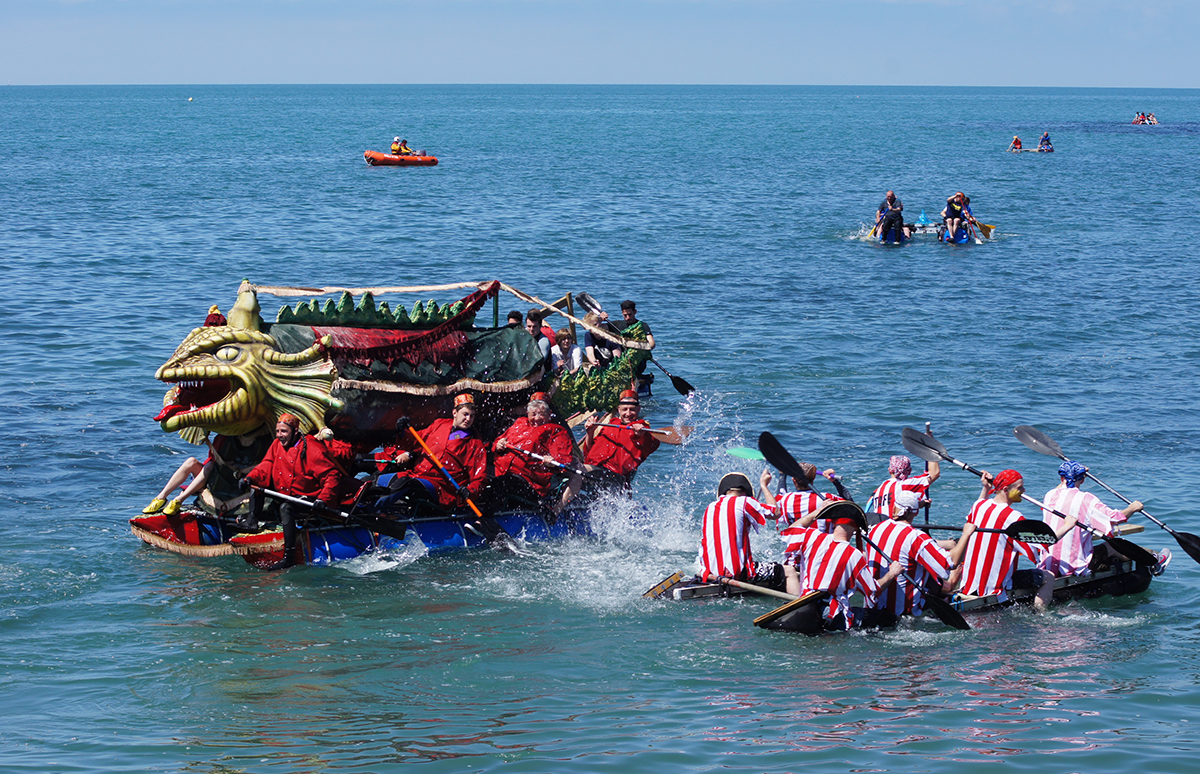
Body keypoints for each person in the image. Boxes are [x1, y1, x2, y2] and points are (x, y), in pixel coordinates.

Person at [958, 469, 1076, 611]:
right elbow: (1044, 542)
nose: (1024, 490)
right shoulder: (1013, 517)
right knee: (1048, 577)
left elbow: (975, 510)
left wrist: (986, 488)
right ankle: (1040, 614)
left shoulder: (979, 506)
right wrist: (1068, 526)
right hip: (994, 587)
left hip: (968, 583)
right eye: (1019, 488)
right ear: (1006, 489)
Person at [239, 413, 345, 569]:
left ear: (296, 431)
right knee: (257, 483)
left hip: (309, 498)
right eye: (277, 431)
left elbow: (332, 475)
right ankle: (251, 522)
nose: (280, 436)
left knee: (286, 508)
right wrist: (250, 478)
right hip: (285, 494)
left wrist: (323, 499)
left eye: (284, 431)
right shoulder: (276, 445)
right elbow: (266, 465)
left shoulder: (312, 448)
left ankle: (289, 557)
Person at [779, 502, 903, 631]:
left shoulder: (812, 536)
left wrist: (816, 513)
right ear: (855, 530)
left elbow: (789, 531)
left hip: (805, 606)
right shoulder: (854, 555)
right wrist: (892, 573)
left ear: (834, 523)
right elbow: (873, 590)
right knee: (889, 619)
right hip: (833, 616)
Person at [1039, 460, 1168, 577]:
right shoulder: (1087, 499)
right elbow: (1114, 518)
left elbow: (1062, 486)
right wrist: (1133, 508)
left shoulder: (1049, 496)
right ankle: (1153, 563)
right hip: (1074, 567)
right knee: (1111, 546)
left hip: (1048, 564)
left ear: (1061, 477)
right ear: (1083, 480)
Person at [375, 393, 488, 512]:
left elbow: (480, 478)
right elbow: (416, 440)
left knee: (405, 483)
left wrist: (469, 491)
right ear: (454, 413)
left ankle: (372, 511)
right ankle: (357, 508)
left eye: (472, 416)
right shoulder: (439, 424)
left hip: (441, 488)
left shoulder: (475, 443)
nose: (468, 419)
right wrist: (402, 432)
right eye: (465, 414)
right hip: (416, 475)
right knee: (377, 480)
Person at [865, 490, 968, 618]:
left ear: (895, 507)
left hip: (874, 605)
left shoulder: (876, 529)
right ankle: (951, 584)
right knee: (934, 575)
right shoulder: (916, 537)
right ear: (916, 512)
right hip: (903, 612)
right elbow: (949, 563)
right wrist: (966, 534)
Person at [142, 430, 272, 517]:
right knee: (191, 462)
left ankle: (179, 500)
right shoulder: (222, 438)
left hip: (232, 479)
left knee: (209, 466)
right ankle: (161, 498)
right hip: (215, 476)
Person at [490, 392, 576, 510]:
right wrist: (498, 445)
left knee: (502, 483)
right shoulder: (520, 423)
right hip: (502, 473)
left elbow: (563, 460)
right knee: (489, 481)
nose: (536, 419)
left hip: (530, 482)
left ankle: (484, 520)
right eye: (533, 414)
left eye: (541, 414)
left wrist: (551, 461)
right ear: (527, 414)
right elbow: (499, 440)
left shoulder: (556, 431)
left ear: (549, 414)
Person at [697, 469, 780, 586]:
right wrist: (764, 485)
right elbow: (776, 512)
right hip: (737, 573)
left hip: (708, 572)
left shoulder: (710, 507)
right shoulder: (745, 501)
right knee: (789, 572)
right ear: (745, 492)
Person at [579, 390, 660, 488]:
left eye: (632, 409)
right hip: (594, 470)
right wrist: (590, 432)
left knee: (577, 470)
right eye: (625, 409)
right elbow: (588, 452)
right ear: (619, 410)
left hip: (615, 477)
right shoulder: (609, 425)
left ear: (639, 409)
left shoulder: (642, 429)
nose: (628, 413)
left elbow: (652, 445)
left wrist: (640, 436)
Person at [758, 460, 847, 535]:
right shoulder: (827, 498)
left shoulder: (786, 500)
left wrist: (782, 475)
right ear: (814, 478)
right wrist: (835, 482)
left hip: (796, 550)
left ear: (793, 480)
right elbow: (850, 505)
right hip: (823, 550)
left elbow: (778, 498)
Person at [866, 453, 939, 524]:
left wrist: (918, 504)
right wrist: (931, 450)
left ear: (889, 470)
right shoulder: (903, 485)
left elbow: (892, 503)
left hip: (876, 529)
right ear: (910, 471)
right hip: (892, 529)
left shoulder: (879, 489)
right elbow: (934, 473)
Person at [610, 300, 655, 391]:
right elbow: (596, 327)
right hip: (622, 361)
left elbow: (652, 344)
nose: (628, 317)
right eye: (625, 315)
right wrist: (601, 318)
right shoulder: (617, 325)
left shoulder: (642, 325)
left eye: (630, 314)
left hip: (638, 362)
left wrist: (636, 347)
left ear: (635, 312)